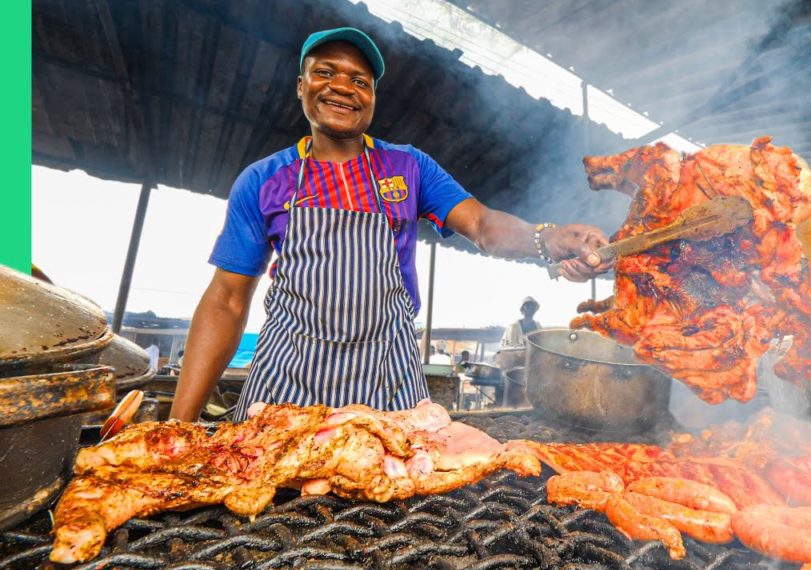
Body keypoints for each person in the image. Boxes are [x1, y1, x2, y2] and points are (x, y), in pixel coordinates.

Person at [169, 27, 610, 421]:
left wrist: (551, 238)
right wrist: (177, 427)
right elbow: (226, 300)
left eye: (360, 81)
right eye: (326, 73)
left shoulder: (409, 167)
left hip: (386, 388)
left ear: (373, 99)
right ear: (301, 86)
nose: (343, 87)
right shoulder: (265, 179)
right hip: (285, 388)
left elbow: (482, 225)